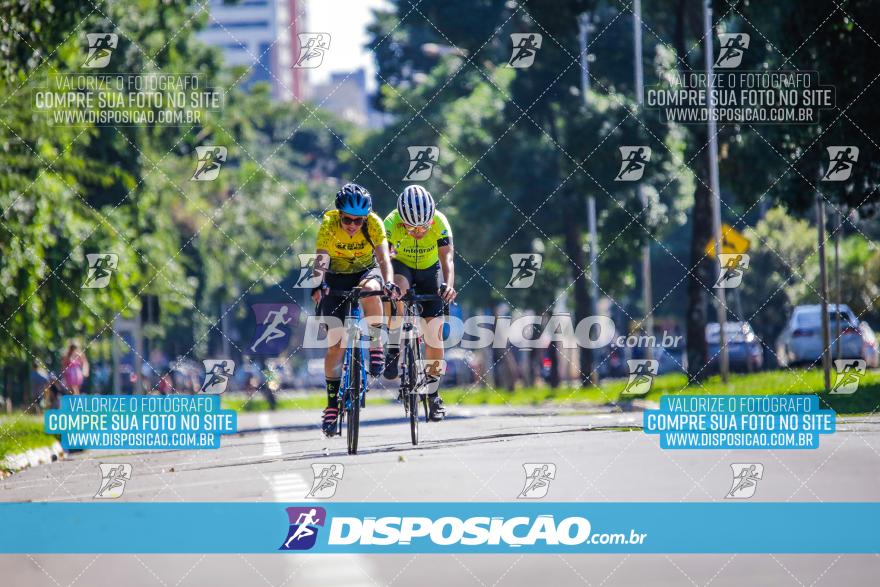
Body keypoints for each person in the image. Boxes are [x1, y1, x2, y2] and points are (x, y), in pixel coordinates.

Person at [312, 183, 399, 436]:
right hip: (336, 275)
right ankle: (331, 406)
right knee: (336, 347)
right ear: (339, 215)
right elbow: (320, 259)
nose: (352, 225)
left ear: (365, 218)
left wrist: (389, 282)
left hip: (365, 270)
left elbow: (383, 259)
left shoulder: (374, 223)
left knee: (371, 289)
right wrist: (317, 285)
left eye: (357, 221)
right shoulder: (328, 225)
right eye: (347, 219)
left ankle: (375, 346)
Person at [383, 185, 457, 421]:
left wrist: (448, 285)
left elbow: (447, 259)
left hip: (429, 270)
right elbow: (384, 257)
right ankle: (394, 346)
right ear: (401, 221)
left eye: (423, 226)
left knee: (434, 335)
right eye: (411, 227)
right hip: (402, 267)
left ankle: (433, 394)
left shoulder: (440, 221)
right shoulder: (390, 223)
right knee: (398, 290)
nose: (418, 231)